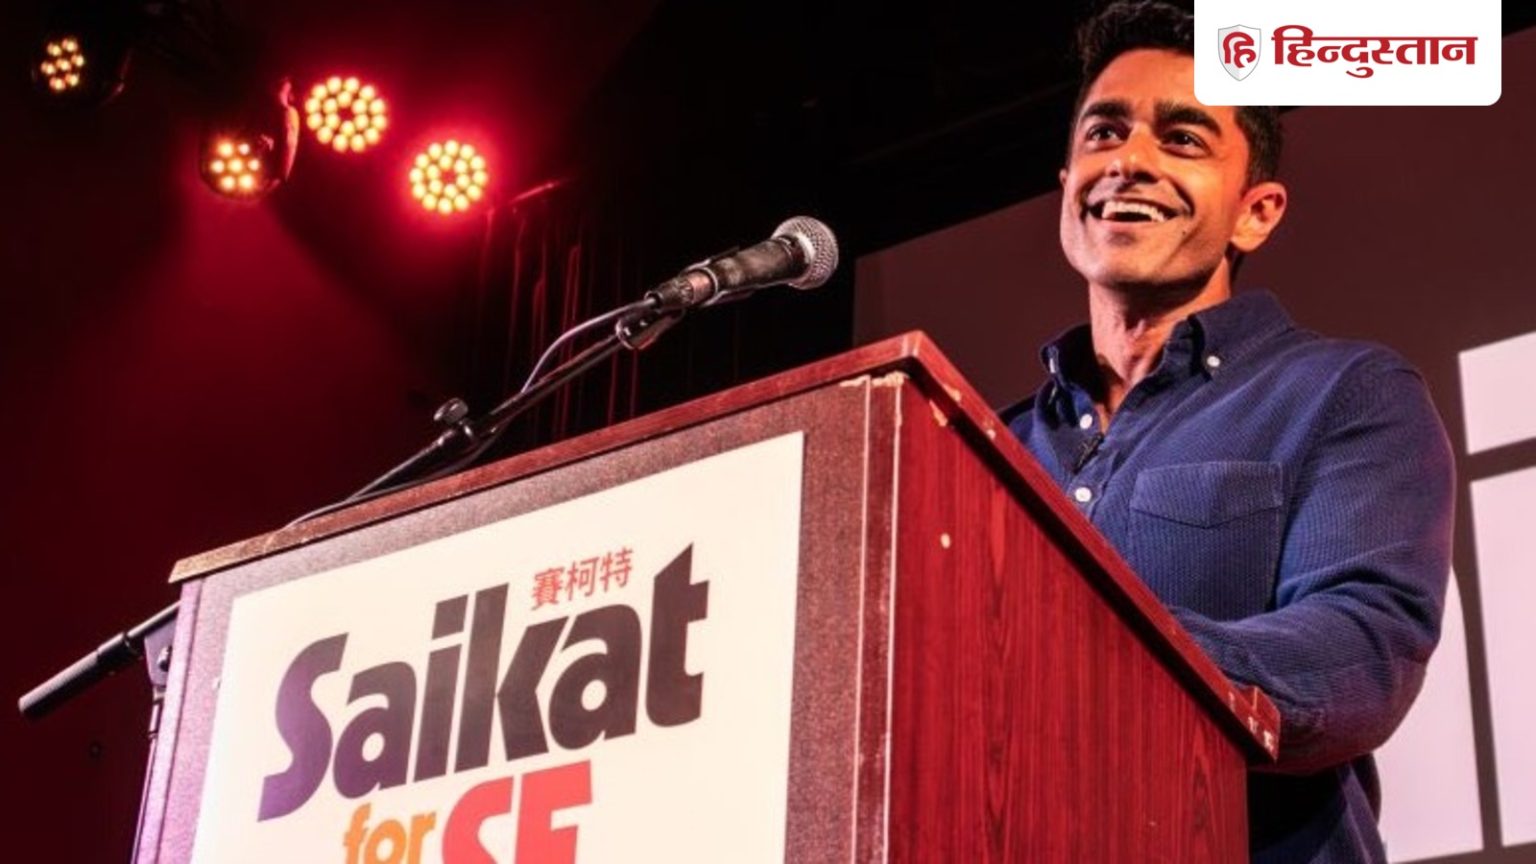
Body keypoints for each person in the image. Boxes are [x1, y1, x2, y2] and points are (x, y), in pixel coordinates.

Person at [1002, 2, 1456, 862]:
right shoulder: (987, 445)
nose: (1129, 160)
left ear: (1256, 211)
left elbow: (1362, 649)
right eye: (1104, 133)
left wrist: (1091, 653)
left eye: (1182, 139)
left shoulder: (1345, 394)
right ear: (1067, 185)